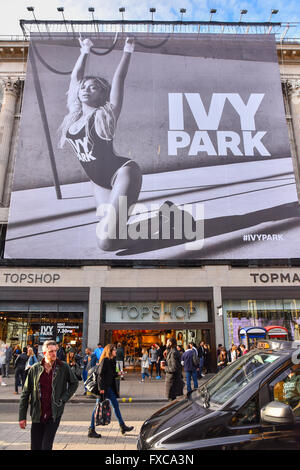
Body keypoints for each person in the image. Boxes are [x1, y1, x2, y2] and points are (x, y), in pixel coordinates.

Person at [59, 34, 145, 253]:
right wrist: (85, 50)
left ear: (102, 94)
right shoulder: (74, 116)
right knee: (111, 228)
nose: (86, 89)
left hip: (122, 174)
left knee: (105, 242)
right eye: (84, 87)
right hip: (97, 182)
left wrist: (128, 50)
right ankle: (130, 221)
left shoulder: (105, 114)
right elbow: (75, 78)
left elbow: (119, 79)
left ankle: (148, 232)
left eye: (93, 87)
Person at [19, 340, 78, 450]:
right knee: (35, 446)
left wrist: (63, 398)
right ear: (44, 353)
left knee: (46, 446)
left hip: (54, 413)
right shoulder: (35, 369)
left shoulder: (63, 367)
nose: (54, 354)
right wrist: (22, 417)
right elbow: (25, 394)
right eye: (51, 351)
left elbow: (74, 383)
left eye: (55, 351)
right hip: (37, 413)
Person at [88, 344, 134, 438]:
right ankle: (91, 430)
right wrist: (101, 389)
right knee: (97, 408)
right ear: (110, 351)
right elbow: (100, 375)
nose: (116, 351)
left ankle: (122, 426)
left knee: (115, 405)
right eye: (114, 350)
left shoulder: (112, 360)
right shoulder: (105, 360)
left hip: (109, 388)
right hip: (104, 389)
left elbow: (112, 374)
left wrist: (118, 373)